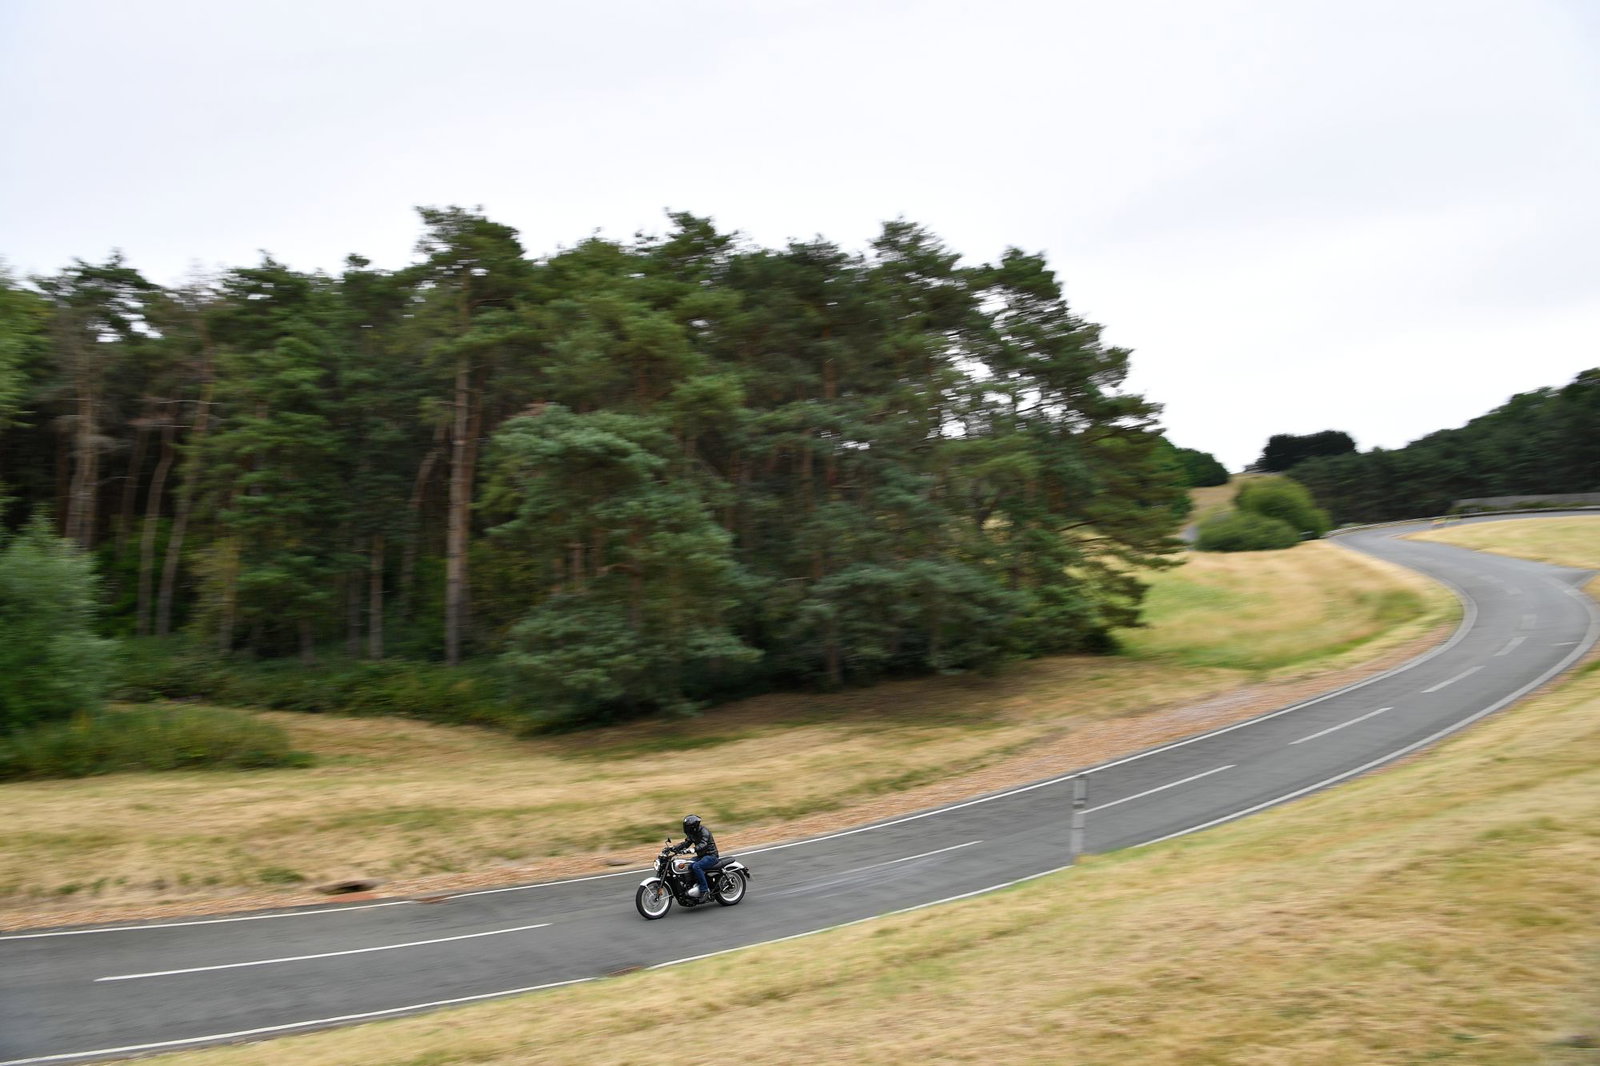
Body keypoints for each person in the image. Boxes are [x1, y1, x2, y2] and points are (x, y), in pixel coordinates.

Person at [672, 814, 718, 898]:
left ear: (693, 826)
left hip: (711, 856)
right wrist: (674, 848)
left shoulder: (704, 831)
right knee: (688, 865)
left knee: (696, 866)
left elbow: (703, 844)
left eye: (688, 826)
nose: (686, 828)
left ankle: (704, 890)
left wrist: (693, 849)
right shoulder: (692, 833)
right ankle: (691, 885)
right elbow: (686, 843)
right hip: (701, 856)